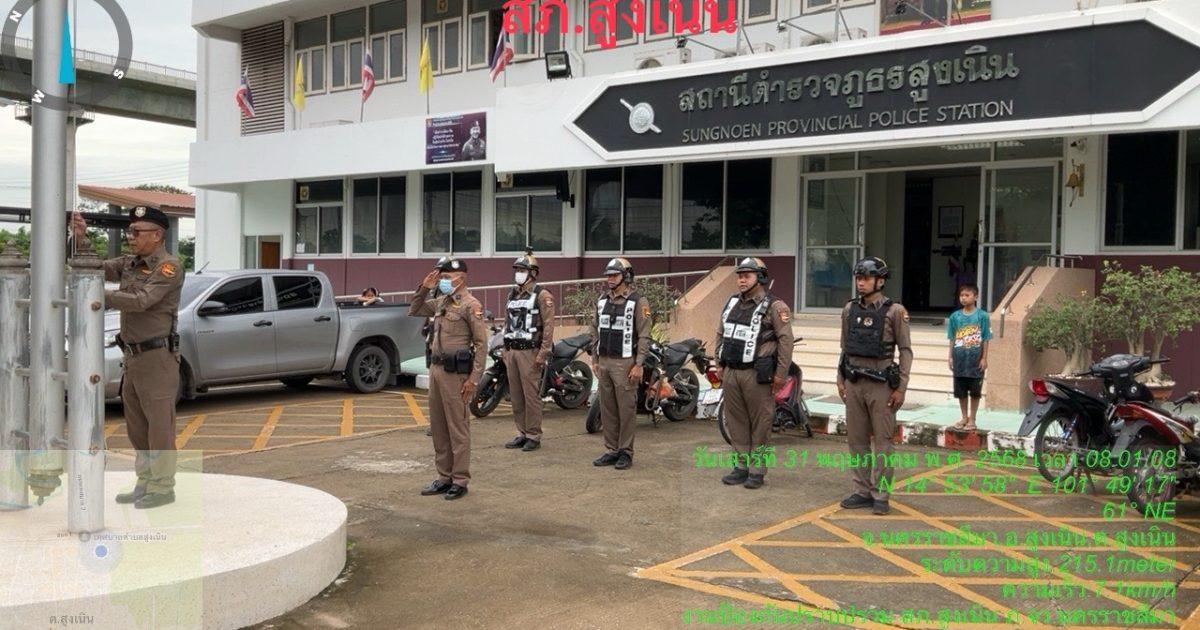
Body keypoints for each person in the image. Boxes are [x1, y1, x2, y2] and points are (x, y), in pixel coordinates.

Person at [72, 207, 184, 510]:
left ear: (157, 235)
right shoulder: (130, 263)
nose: (130, 237)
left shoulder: (169, 267)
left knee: (159, 428)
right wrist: (80, 238)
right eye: (129, 231)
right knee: (137, 427)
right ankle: (145, 482)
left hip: (157, 357)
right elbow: (94, 267)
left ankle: (163, 487)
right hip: (133, 357)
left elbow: (141, 301)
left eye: (137, 232)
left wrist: (97, 292)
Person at [836, 257, 912, 516]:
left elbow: (905, 351)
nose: (861, 282)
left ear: (880, 281)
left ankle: (881, 494)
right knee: (856, 440)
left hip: (882, 385)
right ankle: (862, 491)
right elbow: (845, 347)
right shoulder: (849, 309)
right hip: (854, 382)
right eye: (859, 278)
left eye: (866, 278)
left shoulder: (895, 311)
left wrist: (901, 388)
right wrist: (840, 378)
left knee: (883, 442)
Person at [409, 257, 487, 500]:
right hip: (436, 370)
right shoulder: (441, 301)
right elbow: (415, 309)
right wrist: (424, 287)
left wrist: (473, 379)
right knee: (439, 427)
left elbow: (481, 345)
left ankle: (460, 480)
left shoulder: (470, 305)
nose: (442, 280)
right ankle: (444, 477)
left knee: (458, 428)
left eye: (445, 277)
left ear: (460, 278)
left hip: (456, 376)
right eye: (440, 277)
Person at [713, 258, 794, 489]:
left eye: (747, 276)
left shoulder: (775, 306)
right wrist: (718, 363)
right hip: (731, 371)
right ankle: (741, 466)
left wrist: (781, 374)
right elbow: (721, 333)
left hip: (757, 375)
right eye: (740, 276)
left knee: (760, 424)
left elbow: (786, 341)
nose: (742, 280)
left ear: (760, 278)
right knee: (736, 422)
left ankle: (757, 471)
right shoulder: (731, 302)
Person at [588, 258, 650, 471]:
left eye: (615, 275)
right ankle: (611, 449)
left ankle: (625, 452)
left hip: (625, 363)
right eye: (608, 275)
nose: (610, 279)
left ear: (626, 276)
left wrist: (639, 364)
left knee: (626, 410)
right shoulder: (602, 300)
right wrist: (594, 359)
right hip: (604, 362)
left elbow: (644, 335)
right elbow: (594, 330)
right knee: (608, 409)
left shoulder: (638, 301)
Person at [502, 250, 556, 452]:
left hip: (530, 352)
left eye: (522, 270)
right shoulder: (512, 294)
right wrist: (505, 350)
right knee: (516, 395)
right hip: (512, 351)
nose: (518, 273)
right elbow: (508, 322)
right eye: (517, 270)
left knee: (530, 395)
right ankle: (522, 432)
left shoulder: (542, 295)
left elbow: (548, 327)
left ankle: (533, 434)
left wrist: (543, 353)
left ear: (533, 273)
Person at [947, 283, 991, 430]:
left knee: (975, 392)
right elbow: (952, 338)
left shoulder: (982, 316)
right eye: (961, 295)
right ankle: (964, 417)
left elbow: (986, 338)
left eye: (967, 295)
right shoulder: (955, 317)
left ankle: (973, 419)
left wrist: (984, 358)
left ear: (975, 297)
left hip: (975, 360)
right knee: (961, 391)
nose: (963, 298)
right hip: (959, 359)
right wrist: (950, 357)